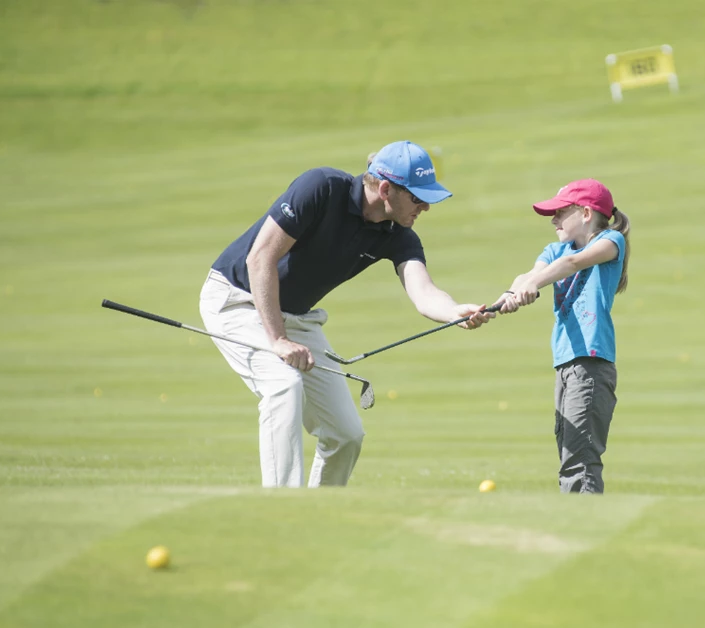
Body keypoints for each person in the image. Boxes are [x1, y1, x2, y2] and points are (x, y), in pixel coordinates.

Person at [199, 140, 494, 487]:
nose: (425, 207)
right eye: (418, 197)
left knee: (346, 434)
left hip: (295, 316)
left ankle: (318, 513)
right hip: (239, 300)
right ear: (386, 189)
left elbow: (423, 292)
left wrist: (455, 311)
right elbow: (259, 258)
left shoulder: (398, 235)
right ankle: (280, 507)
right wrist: (277, 339)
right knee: (283, 385)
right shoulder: (320, 188)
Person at [500, 179, 631, 494]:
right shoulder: (554, 249)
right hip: (565, 364)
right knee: (568, 453)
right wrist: (509, 294)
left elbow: (571, 264)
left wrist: (535, 284)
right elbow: (529, 275)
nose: (553, 220)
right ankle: (574, 521)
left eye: (560, 212)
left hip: (591, 363)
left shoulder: (611, 241)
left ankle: (583, 526)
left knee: (580, 460)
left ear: (586, 213)